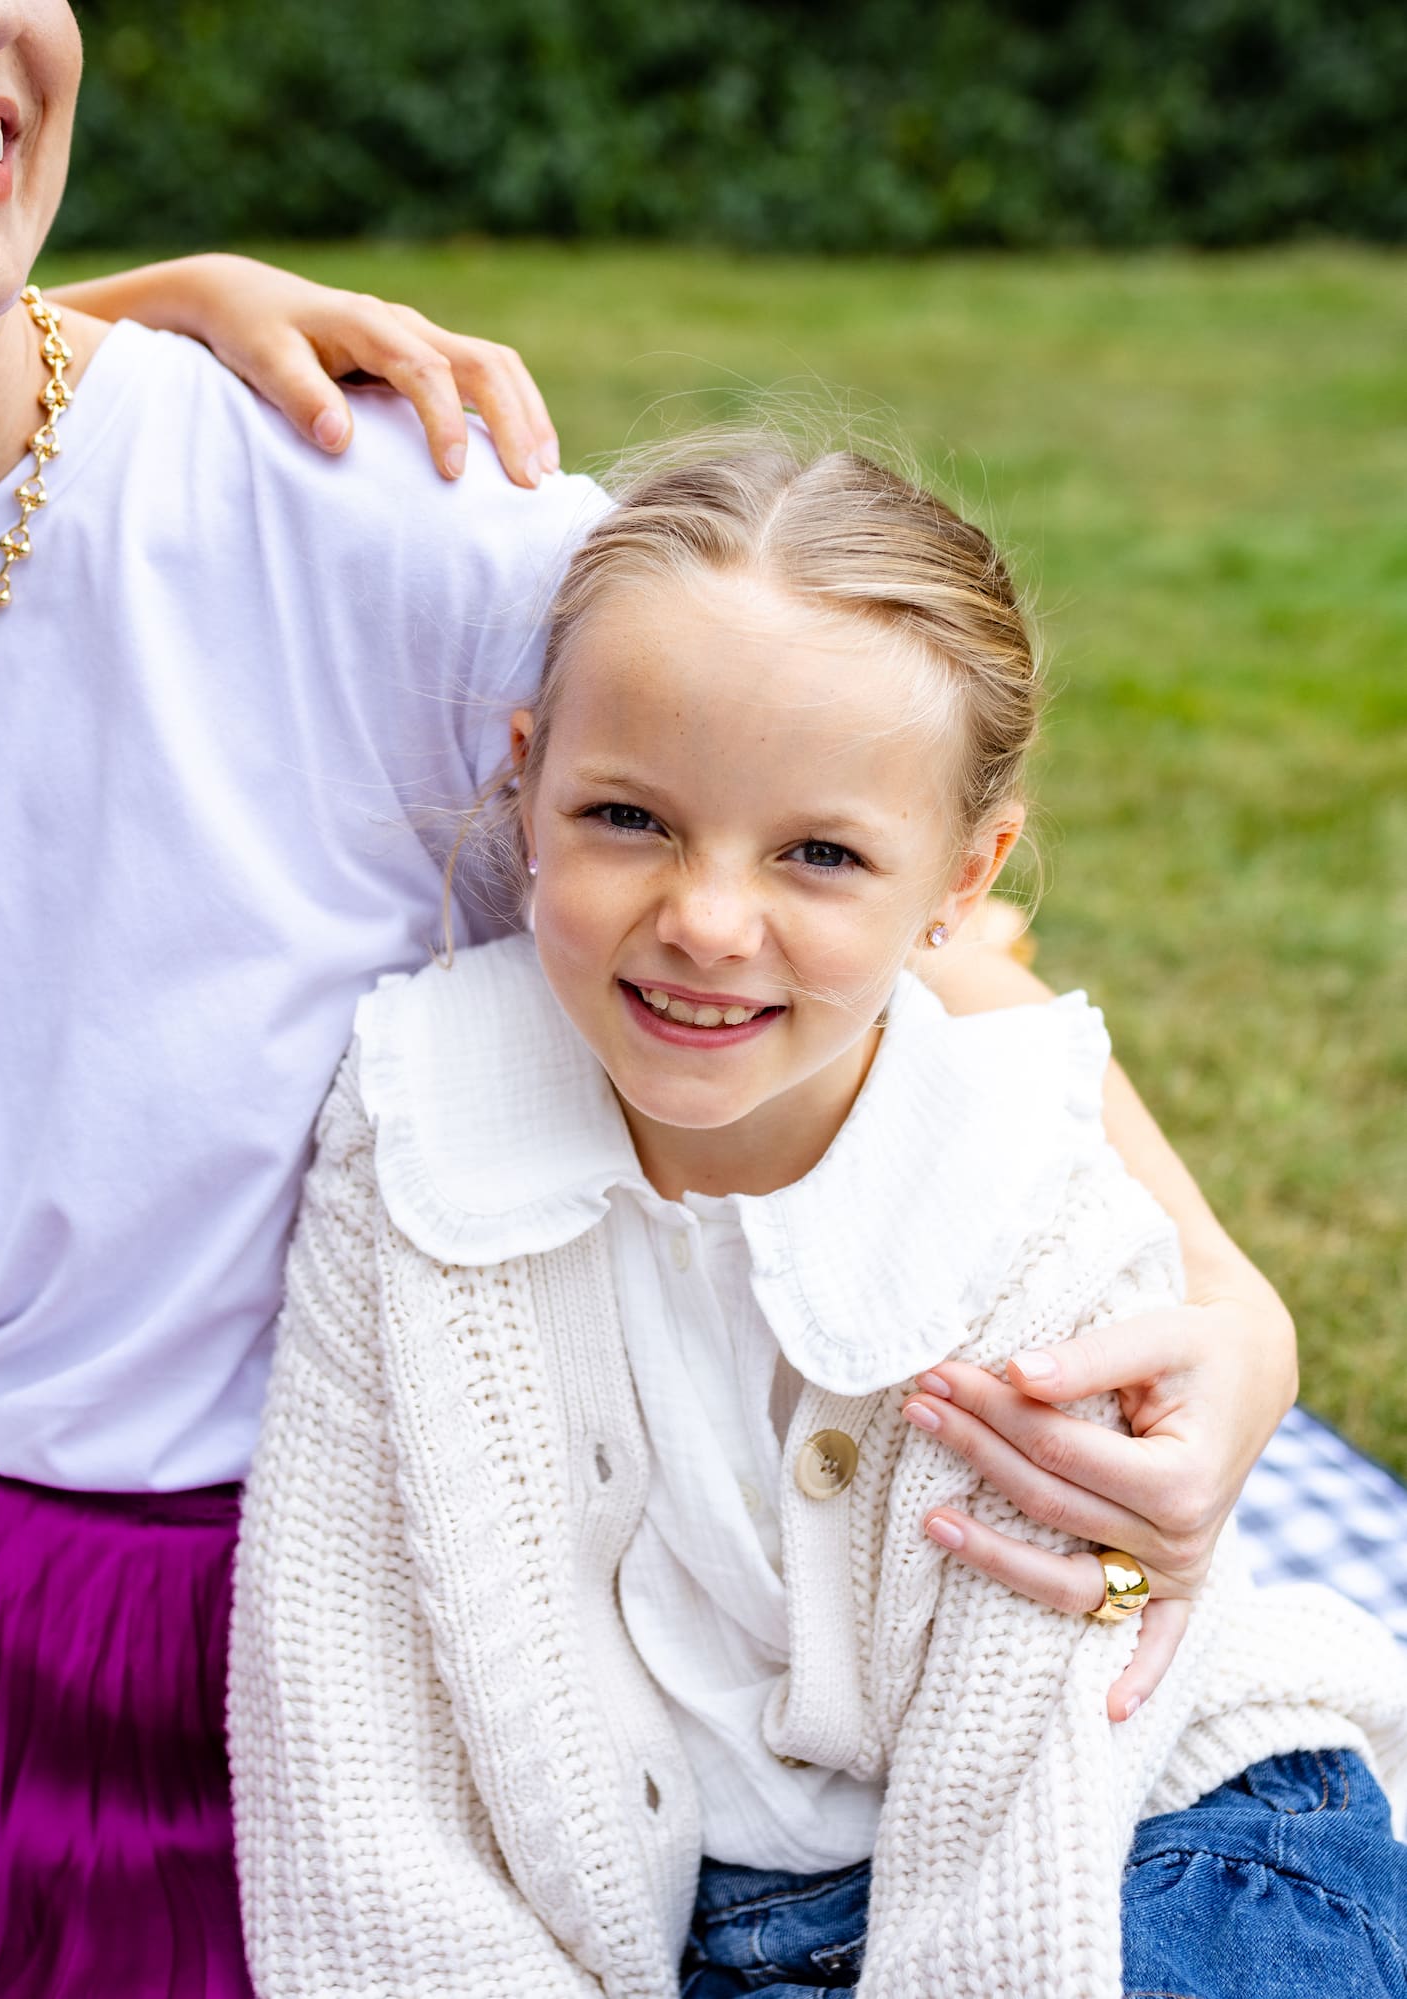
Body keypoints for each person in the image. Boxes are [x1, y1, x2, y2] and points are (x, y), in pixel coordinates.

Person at [0, 3, 1308, 1992]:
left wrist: (1227, 1303)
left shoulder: (344, 500)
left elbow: (837, 859)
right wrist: (108, 293)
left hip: (360, 1601)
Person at [231, 439, 1407, 1999]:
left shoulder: (1015, 1182)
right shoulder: (422, 1123)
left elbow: (1022, 1782)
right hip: (709, 1922)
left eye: (821, 854)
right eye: (630, 818)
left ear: (962, 879)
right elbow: (351, 1715)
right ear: (526, 780)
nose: (709, 921)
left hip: (1134, 1845)